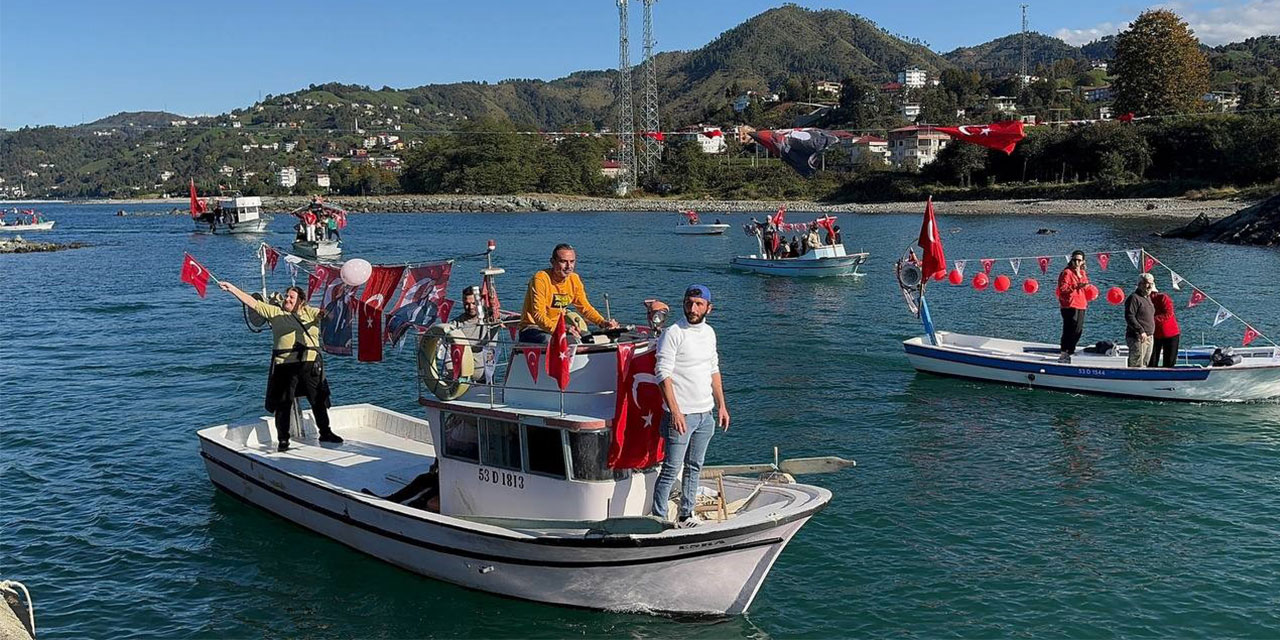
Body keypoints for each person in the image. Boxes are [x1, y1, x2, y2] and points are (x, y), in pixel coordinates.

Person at [219, 281, 344, 452]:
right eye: (286, 296)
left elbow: (326, 315)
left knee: (318, 400)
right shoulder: (275, 312)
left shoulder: (310, 312)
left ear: (301, 301)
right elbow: (252, 302)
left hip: (310, 364)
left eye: (291, 297)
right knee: (283, 404)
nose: (287, 299)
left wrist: (332, 307)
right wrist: (232, 289)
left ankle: (326, 432)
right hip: (285, 365)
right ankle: (283, 439)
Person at [651, 284, 730, 527]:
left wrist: (722, 406)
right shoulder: (673, 333)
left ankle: (686, 513)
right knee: (671, 468)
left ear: (709, 308)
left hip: (705, 414)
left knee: (694, 466)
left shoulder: (709, 333)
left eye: (698, 304)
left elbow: (713, 370)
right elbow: (662, 374)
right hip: (681, 415)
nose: (692, 308)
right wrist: (675, 412)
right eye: (689, 303)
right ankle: (658, 518)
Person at [518, 244, 618, 344]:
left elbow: (585, 308)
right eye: (563, 261)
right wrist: (562, 329)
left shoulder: (574, 279)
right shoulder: (541, 279)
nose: (568, 266)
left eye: (572, 261)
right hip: (532, 328)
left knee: (588, 338)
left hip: (559, 327)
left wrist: (602, 322)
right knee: (553, 341)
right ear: (552, 262)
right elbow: (538, 316)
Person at [453, 286, 498, 381]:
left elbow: (510, 320)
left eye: (473, 303)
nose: (470, 307)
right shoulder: (456, 323)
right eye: (466, 304)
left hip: (486, 379)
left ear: (481, 302)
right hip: (461, 380)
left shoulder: (491, 319)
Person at [1056, 250, 1091, 363]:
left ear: (1083, 262)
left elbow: (1085, 286)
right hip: (1069, 304)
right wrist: (1076, 286)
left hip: (1081, 303)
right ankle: (1064, 351)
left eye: (1079, 260)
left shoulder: (1083, 273)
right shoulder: (1066, 273)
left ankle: (1071, 349)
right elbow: (1062, 289)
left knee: (1078, 329)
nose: (1076, 262)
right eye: (1074, 259)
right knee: (1069, 328)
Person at [1124, 273, 1157, 368]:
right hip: (1137, 337)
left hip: (1149, 337)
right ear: (1140, 284)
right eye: (1147, 283)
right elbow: (1129, 316)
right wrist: (1141, 331)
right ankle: (1132, 381)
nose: (1150, 286)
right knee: (1137, 364)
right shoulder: (1134, 298)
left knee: (1145, 364)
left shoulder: (1148, 298)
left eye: (1151, 283)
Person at [1148, 290, 1181, 368]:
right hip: (1155, 334)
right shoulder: (1143, 300)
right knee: (1151, 362)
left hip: (1171, 334)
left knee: (1169, 363)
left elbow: (1168, 313)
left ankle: (1169, 378)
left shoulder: (1163, 298)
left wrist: (1151, 319)